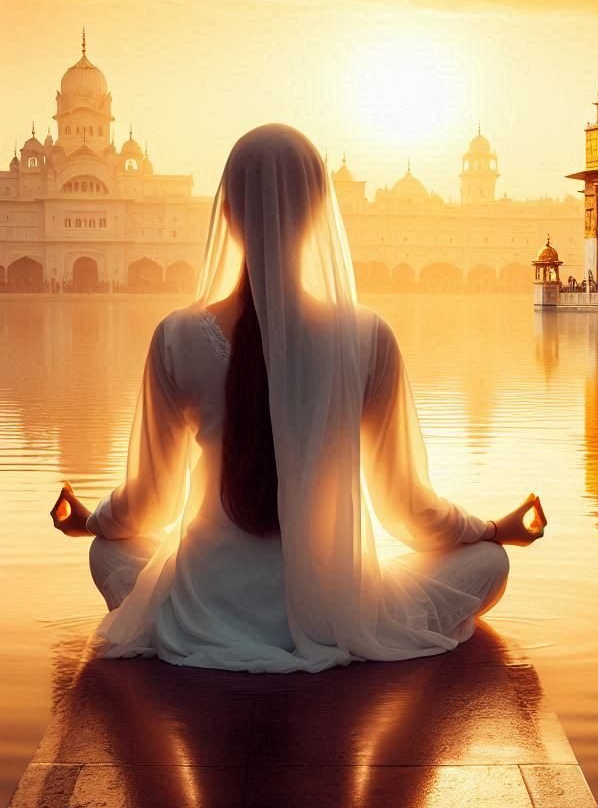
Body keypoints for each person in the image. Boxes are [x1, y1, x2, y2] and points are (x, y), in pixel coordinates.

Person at [50, 124, 544, 673]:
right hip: (336, 609)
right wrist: (491, 530)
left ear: (229, 215)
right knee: (488, 564)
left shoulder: (177, 336)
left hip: (202, 611)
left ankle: (190, 610)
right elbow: (405, 507)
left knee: (109, 553)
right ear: (318, 215)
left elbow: (152, 502)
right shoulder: (367, 337)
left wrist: (91, 521)